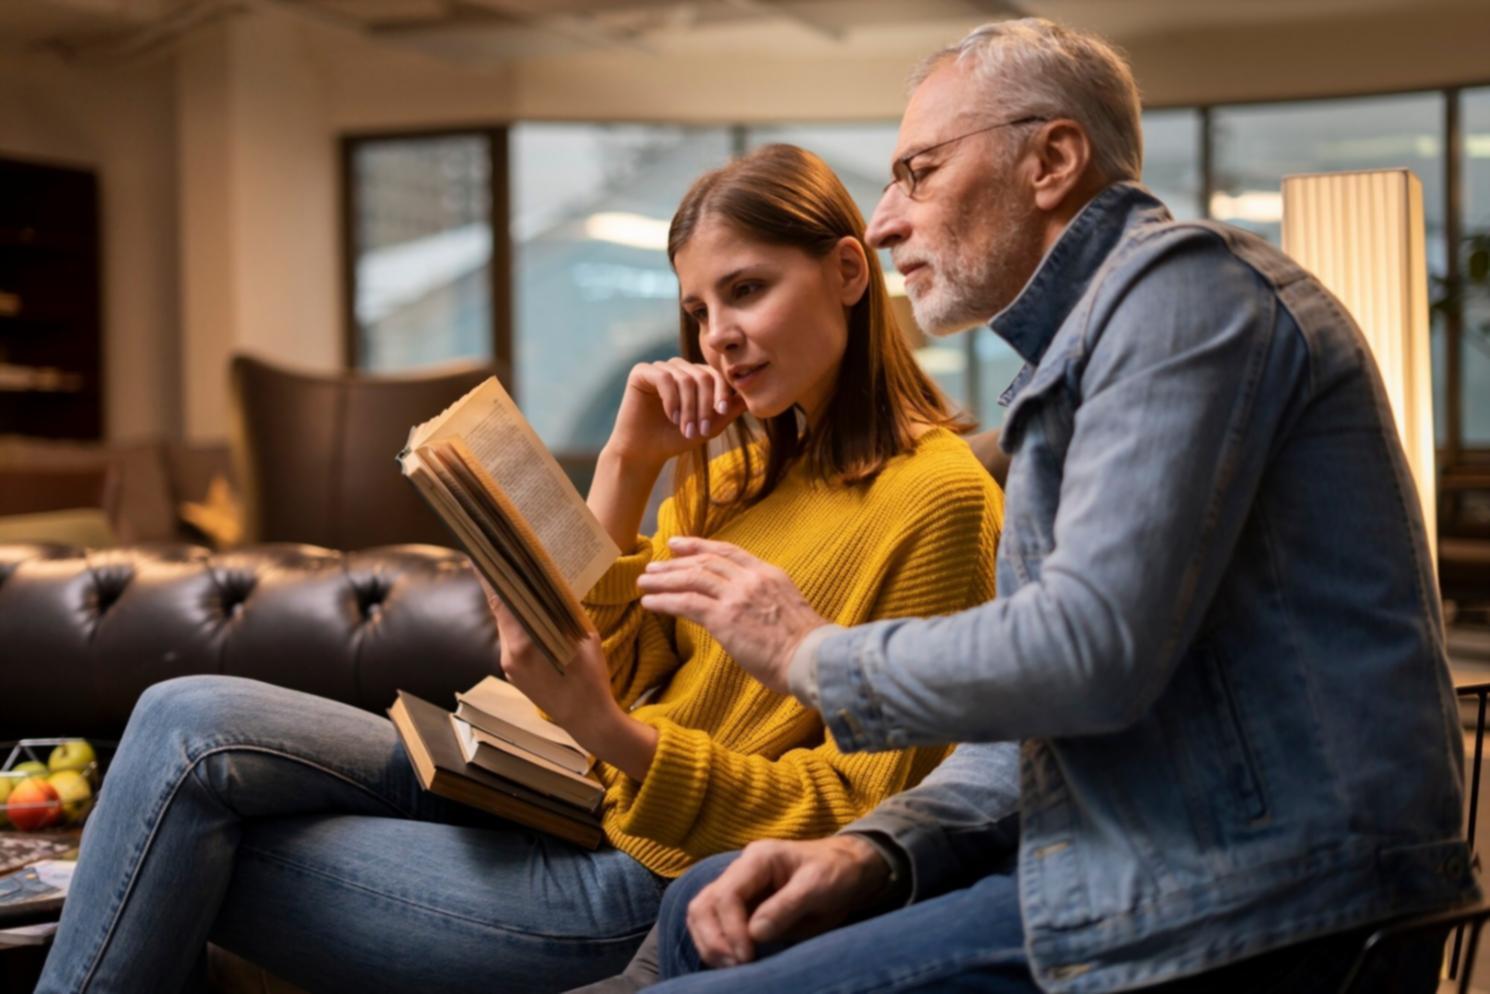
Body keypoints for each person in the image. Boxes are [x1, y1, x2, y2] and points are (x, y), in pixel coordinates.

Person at [33, 143, 1005, 994]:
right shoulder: (734, 469)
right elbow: (611, 665)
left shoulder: (940, 500)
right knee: (177, 715)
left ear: (845, 271)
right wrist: (626, 464)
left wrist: (611, 734)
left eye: (745, 289)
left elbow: (861, 816)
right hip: (551, 788)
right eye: (698, 308)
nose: (716, 335)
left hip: (639, 876)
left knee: (167, 851)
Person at [633, 18, 1478, 994]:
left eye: (917, 170)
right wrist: (880, 847)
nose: (881, 219)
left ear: (1051, 159)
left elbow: (1089, 651)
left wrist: (804, 651)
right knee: (700, 911)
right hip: (1153, 861)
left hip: (1268, 906)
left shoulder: (1186, 294)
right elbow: (1042, 716)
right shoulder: (1078, 355)